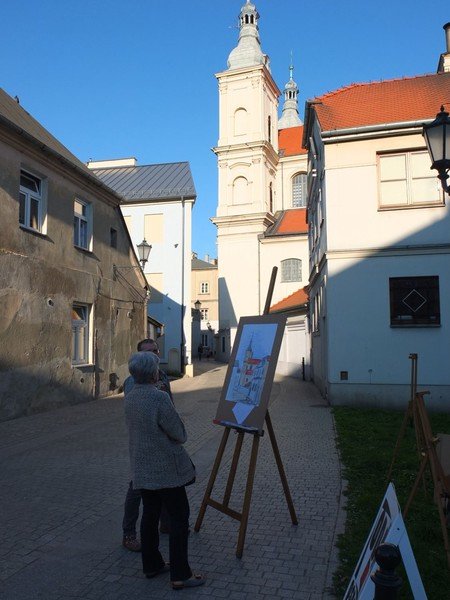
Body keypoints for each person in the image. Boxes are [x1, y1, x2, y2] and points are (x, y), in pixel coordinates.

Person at [125, 351, 205, 589]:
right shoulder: (159, 398)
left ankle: (151, 565)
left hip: (142, 467)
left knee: (149, 516)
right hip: (166, 470)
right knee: (179, 518)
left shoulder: (129, 396)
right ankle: (181, 574)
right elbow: (179, 434)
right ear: (154, 373)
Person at [122, 338, 172, 552]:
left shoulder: (162, 376)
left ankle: (166, 522)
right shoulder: (133, 381)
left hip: (163, 440)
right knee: (137, 488)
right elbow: (136, 412)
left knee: (164, 482)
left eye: (155, 351)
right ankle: (129, 534)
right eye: (147, 353)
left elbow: (169, 404)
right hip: (143, 443)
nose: (153, 355)